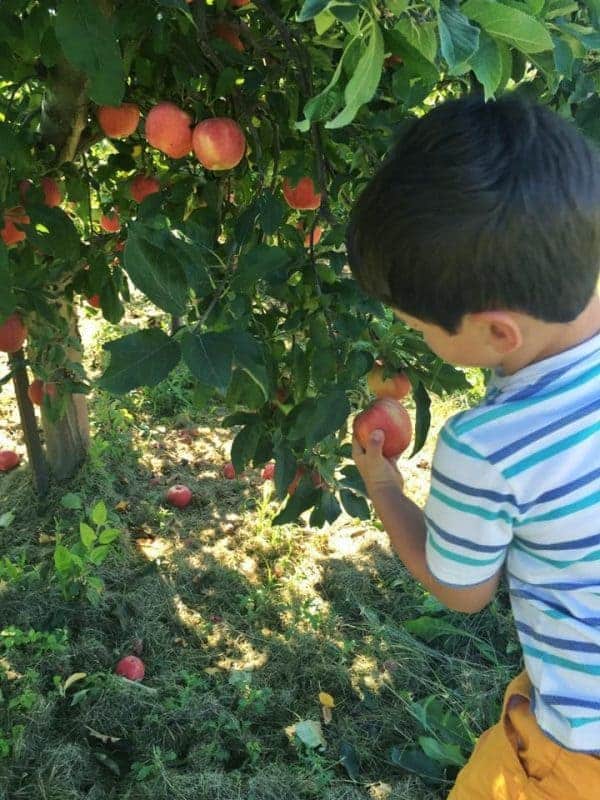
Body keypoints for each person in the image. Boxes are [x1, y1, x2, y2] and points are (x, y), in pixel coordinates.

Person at [346, 93, 600, 799]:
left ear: (496, 333)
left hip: (578, 758)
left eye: (418, 326)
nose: (414, 338)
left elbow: (462, 591)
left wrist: (385, 489)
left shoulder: (489, 448)